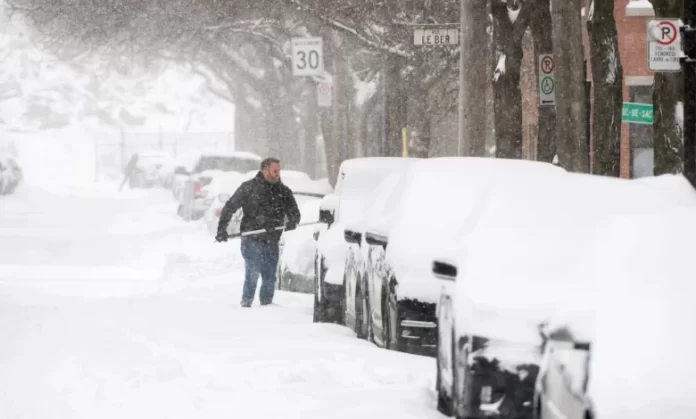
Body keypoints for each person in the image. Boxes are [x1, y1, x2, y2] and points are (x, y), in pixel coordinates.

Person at [215, 157, 301, 307]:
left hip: (271, 240)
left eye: (278, 171)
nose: (277, 174)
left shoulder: (283, 191)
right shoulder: (249, 188)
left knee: (269, 277)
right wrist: (222, 229)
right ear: (265, 170)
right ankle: (246, 304)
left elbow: (294, 212)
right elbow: (230, 207)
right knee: (252, 274)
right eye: (274, 171)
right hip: (251, 239)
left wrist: (293, 221)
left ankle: (266, 308)